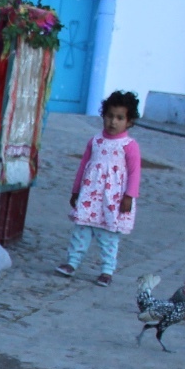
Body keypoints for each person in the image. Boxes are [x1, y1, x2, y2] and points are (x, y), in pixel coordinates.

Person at [58, 91, 142, 285]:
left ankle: (107, 270)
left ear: (129, 122)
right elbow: (83, 166)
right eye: (110, 116)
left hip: (113, 199)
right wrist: (76, 190)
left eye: (120, 118)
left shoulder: (128, 145)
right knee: (81, 230)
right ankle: (72, 262)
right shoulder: (95, 141)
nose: (113, 122)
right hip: (89, 195)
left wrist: (129, 196)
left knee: (109, 236)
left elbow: (135, 172)